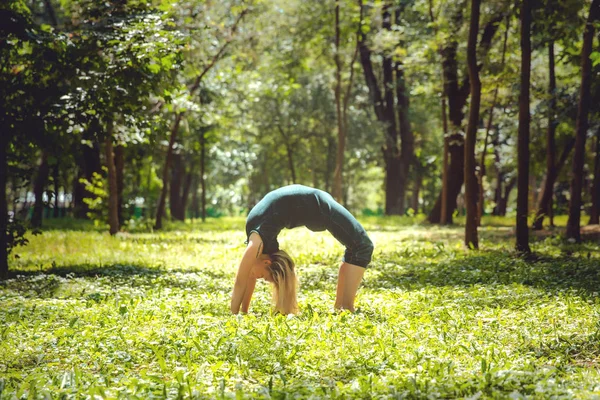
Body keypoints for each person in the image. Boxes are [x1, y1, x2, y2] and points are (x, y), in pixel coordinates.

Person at [230, 184, 374, 315]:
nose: (259, 278)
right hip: (312, 207)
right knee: (357, 247)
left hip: (319, 206)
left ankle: (345, 308)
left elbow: (240, 280)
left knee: (363, 247)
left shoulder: (256, 245)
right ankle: (342, 308)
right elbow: (248, 276)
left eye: (263, 277)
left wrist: (233, 315)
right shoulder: (260, 246)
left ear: (267, 263)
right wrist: (244, 312)